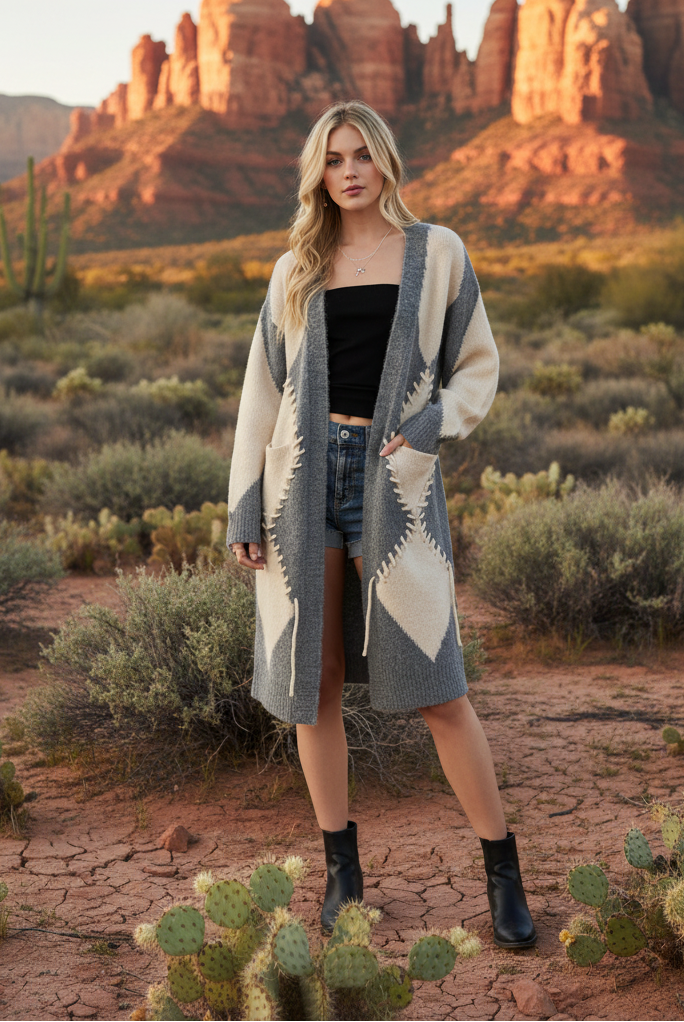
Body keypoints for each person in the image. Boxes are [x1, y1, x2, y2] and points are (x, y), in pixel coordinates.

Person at [227, 100, 536, 949]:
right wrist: (244, 504)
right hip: (301, 483)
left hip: (392, 485)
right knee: (313, 684)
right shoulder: (296, 265)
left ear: (388, 161)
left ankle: (502, 871)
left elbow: (477, 362)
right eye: (334, 159)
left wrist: (433, 426)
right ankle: (341, 871)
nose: (350, 170)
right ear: (318, 174)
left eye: (362, 154)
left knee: (439, 687)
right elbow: (262, 394)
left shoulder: (437, 252)